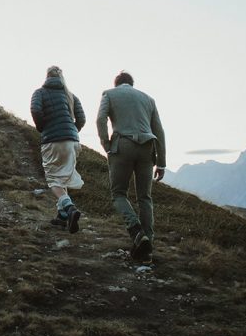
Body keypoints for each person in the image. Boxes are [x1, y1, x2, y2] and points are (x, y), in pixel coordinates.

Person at [96, 71, 166, 262]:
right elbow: (159, 131)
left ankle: (136, 231)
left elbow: (100, 119)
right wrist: (161, 162)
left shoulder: (109, 94)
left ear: (116, 83)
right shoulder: (148, 99)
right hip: (147, 148)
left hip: (123, 145)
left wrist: (107, 145)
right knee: (145, 197)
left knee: (118, 193)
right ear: (132, 84)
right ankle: (147, 248)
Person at [30, 66, 86, 233]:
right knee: (62, 177)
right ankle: (62, 216)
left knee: (53, 179)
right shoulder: (70, 95)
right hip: (72, 141)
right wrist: (72, 130)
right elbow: (82, 118)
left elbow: (35, 110)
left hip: (53, 140)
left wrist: (42, 127)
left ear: (47, 76)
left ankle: (70, 208)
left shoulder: (39, 93)